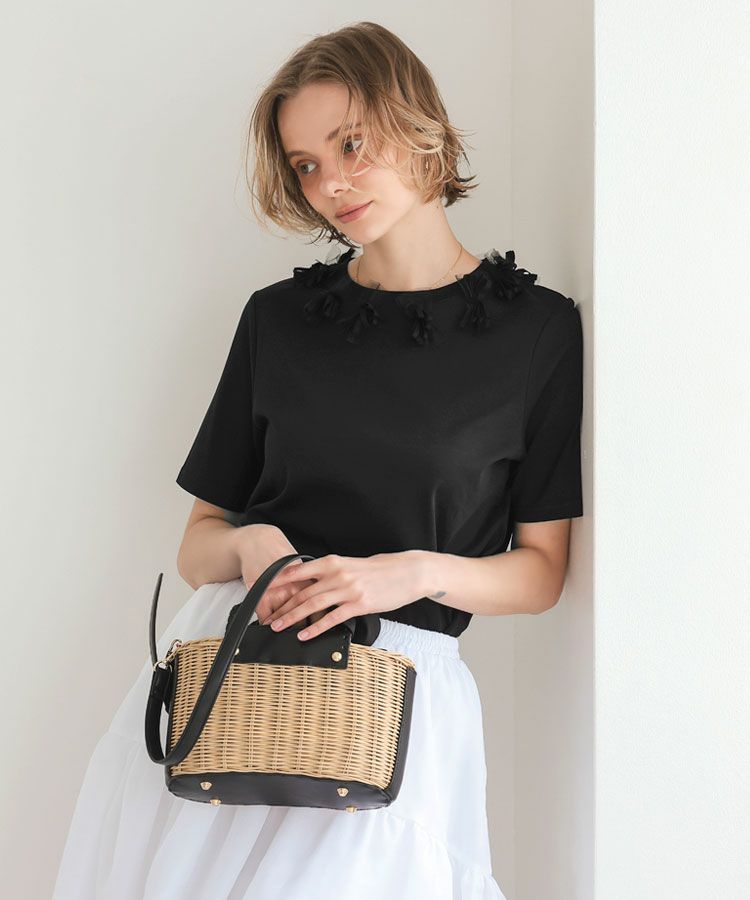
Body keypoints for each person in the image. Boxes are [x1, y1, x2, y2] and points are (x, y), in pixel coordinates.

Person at [53, 20, 583, 900]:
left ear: (419, 124)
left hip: (397, 700)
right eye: (305, 164)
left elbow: (540, 573)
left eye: (351, 144)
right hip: (242, 676)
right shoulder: (279, 320)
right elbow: (198, 546)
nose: (330, 183)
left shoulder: (537, 333)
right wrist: (251, 544)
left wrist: (404, 573)